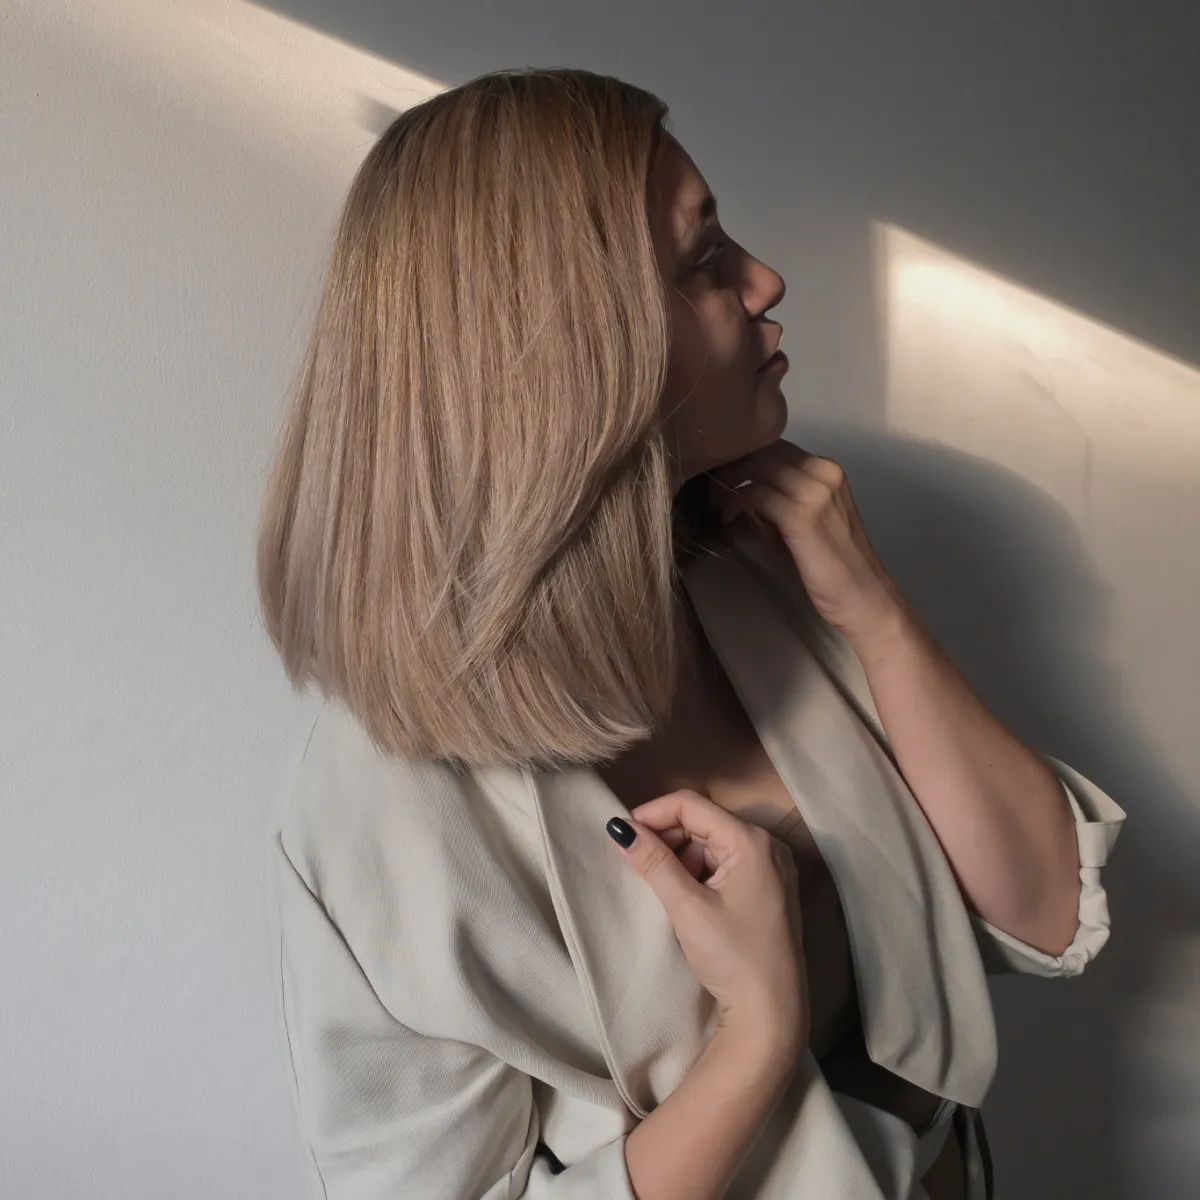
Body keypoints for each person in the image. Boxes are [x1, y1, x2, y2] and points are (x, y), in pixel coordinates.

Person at [257, 67, 1126, 1200]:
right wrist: (757, 1032)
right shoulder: (381, 801)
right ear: (570, 348)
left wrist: (873, 609)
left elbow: (1048, 914)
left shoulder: (749, 574)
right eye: (703, 259)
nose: (766, 280)